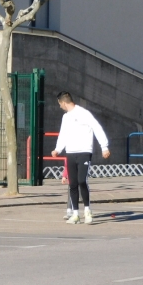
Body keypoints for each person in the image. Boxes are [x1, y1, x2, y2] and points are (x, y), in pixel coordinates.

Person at [51, 92, 110, 224]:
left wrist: (104, 147)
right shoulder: (65, 117)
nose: (60, 107)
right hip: (71, 152)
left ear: (63, 102)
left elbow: (97, 128)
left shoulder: (84, 113)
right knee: (72, 184)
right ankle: (76, 214)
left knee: (82, 181)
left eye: (60, 104)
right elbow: (63, 134)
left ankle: (88, 210)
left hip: (84, 151)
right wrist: (58, 149)